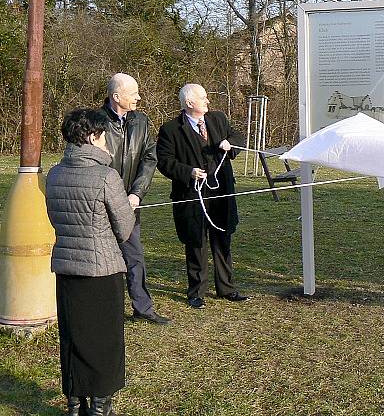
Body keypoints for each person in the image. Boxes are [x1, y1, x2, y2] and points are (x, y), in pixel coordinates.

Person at [46, 108, 136, 416]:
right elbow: (124, 229)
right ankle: (99, 405)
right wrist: (128, 204)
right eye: (103, 135)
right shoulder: (106, 176)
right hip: (102, 269)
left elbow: (56, 218)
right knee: (105, 339)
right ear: (92, 137)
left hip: (68, 268)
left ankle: (75, 403)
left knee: (73, 337)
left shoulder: (55, 173)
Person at [156, 83, 250, 309]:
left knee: (222, 237)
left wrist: (231, 144)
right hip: (191, 193)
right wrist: (188, 172)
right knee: (196, 241)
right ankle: (196, 291)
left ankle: (226, 288)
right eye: (203, 98)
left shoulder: (218, 119)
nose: (208, 101)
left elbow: (238, 137)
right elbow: (165, 161)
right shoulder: (170, 130)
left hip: (221, 190)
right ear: (190, 103)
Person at [102, 73, 169, 325]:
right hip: (102, 203)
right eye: (134, 93)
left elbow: (150, 158)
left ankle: (143, 307)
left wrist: (136, 193)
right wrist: (111, 195)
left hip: (131, 205)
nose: (139, 97)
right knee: (105, 260)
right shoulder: (95, 122)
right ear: (117, 97)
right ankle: (108, 311)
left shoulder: (141, 121)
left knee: (135, 256)